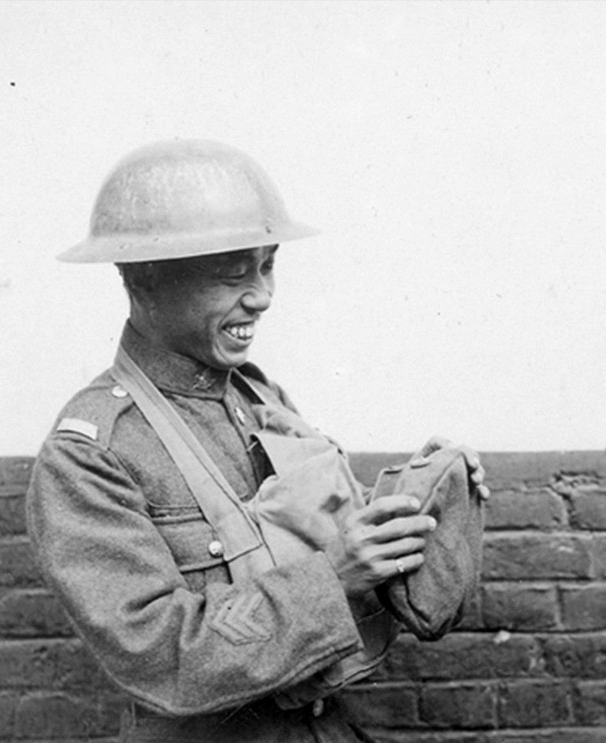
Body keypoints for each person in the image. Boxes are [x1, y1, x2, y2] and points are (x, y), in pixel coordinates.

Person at [26, 138, 487, 743]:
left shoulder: (259, 398)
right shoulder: (90, 455)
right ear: (144, 281)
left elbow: (314, 542)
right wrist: (335, 575)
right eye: (231, 274)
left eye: (267, 264)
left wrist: (419, 503)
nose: (263, 296)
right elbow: (162, 659)